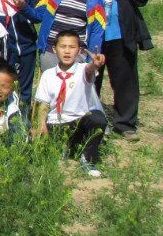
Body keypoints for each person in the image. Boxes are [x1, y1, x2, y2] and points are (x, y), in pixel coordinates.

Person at [80, 0, 145, 138]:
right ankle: (91, 121)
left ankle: (125, 124)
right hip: (91, 34)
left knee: (124, 78)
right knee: (90, 79)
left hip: (118, 30)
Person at [33, 30, 108, 177]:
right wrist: (42, 127)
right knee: (48, 150)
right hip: (56, 124)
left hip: (78, 122)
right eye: (63, 47)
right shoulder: (48, 75)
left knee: (98, 118)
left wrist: (95, 65)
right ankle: (64, 149)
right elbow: (43, 105)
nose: (67, 51)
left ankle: (88, 159)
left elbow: (90, 70)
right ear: (55, 49)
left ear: (79, 51)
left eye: (72, 47)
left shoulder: (83, 70)